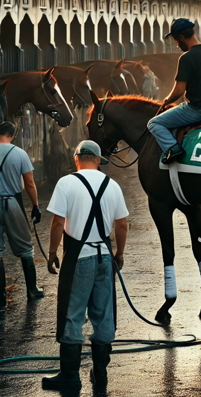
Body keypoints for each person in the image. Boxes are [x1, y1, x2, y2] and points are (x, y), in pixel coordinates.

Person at [42, 140, 129, 391]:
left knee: (73, 313)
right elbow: (121, 225)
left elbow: (58, 222)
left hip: (78, 259)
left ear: (77, 158)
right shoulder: (112, 185)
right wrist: (119, 254)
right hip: (104, 256)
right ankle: (100, 373)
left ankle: (70, 374)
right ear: (99, 160)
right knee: (103, 315)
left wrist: (51, 252)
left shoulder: (66, 183)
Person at [147, 18, 201, 164]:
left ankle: (172, 148)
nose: (177, 46)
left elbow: (178, 91)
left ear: (182, 38)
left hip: (198, 110)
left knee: (154, 123)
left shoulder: (187, 58)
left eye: (176, 41)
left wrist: (166, 101)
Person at [0, 121, 44, 308]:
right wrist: (35, 205)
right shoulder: (19, 153)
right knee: (26, 248)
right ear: (13, 134)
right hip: (12, 203)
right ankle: (32, 291)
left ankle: (1, 298)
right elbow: (30, 183)